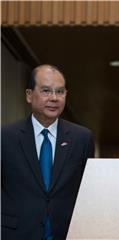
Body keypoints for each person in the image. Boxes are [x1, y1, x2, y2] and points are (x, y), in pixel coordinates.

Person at [1, 64, 95, 240]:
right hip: (15, 233)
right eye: (46, 91)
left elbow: (88, 193)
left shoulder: (81, 138)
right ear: (29, 95)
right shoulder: (5, 137)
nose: (54, 98)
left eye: (60, 92)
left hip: (67, 233)